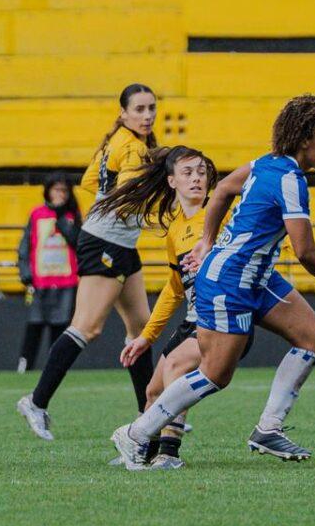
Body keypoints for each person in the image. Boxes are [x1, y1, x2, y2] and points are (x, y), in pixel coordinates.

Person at [111, 94, 315, 470]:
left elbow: (223, 189)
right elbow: (305, 251)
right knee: (214, 374)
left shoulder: (264, 164)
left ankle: (268, 428)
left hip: (257, 279)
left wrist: (207, 240)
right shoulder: (290, 180)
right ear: (305, 139)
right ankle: (136, 433)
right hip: (230, 282)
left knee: (313, 339)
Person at [15, 84, 159, 440]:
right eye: (139, 109)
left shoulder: (119, 141)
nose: (147, 116)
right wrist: (158, 212)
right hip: (105, 243)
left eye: (151, 108)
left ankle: (148, 415)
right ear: (123, 113)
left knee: (140, 329)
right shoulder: (133, 148)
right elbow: (127, 199)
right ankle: (36, 401)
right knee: (87, 327)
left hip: (119, 243)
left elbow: (90, 180)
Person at [108, 145, 238, 469]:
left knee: (177, 368)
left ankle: (169, 453)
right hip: (194, 319)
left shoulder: (223, 216)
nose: (197, 178)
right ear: (171, 181)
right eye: (188, 173)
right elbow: (175, 288)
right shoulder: (176, 230)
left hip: (223, 317)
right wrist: (146, 337)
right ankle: (144, 451)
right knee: (153, 391)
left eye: (201, 172)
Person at [15, 173, 82, 373]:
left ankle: (55, 368)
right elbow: (25, 245)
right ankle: (24, 366)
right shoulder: (37, 214)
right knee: (34, 325)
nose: (60, 194)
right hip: (40, 281)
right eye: (56, 189)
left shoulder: (72, 216)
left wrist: (60, 216)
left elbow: (76, 241)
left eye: (64, 190)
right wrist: (25, 272)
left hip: (66, 281)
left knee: (60, 328)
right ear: (48, 191)